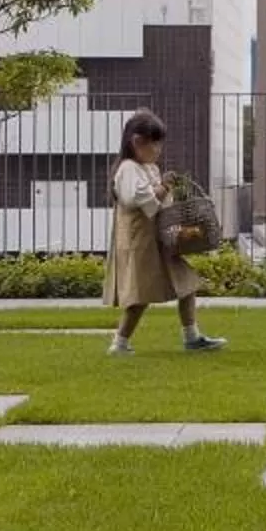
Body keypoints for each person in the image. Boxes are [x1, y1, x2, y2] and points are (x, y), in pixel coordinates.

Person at [105, 111, 225, 355]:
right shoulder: (128, 169)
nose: (158, 150)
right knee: (139, 296)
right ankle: (119, 343)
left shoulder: (148, 168)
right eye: (155, 144)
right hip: (139, 243)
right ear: (137, 142)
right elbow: (142, 200)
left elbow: (161, 204)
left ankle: (192, 337)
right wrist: (164, 186)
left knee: (186, 284)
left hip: (157, 241)